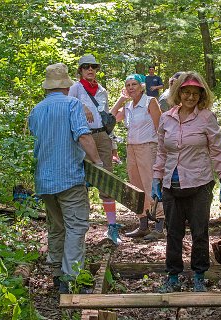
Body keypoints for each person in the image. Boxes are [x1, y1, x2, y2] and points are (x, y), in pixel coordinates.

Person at [151, 71, 221, 293]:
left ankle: (199, 275)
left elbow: (217, 150)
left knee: (200, 232)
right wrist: (156, 179)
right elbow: (161, 152)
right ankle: (173, 277)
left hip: (199, 183)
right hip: (171, 185)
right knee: (173, 233)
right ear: (178, 93)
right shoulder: (167, 118)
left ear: (201, 95)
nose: (190, 97)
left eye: (195, 94)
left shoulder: (207, 117)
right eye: (186, 92)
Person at [28, 63, 103, 293]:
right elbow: (83, 136)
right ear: (65, 85)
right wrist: (98, 163)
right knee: (76, 227)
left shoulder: (36, 110)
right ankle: (71, 280)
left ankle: (57, 274)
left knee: (57, 227)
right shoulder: (72, 104)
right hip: (69, 177)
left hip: (44, 179)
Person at [69, 55, 122, 245]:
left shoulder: (102, 91)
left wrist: (113, 144)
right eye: (86, 67)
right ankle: (79, 228)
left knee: (107, 180)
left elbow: (107, 118)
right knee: (80, 181)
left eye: (93, 67)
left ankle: (112, 227)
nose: (90, 70)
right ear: (80, 70)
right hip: (83, 136)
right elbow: (67, 106)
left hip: (102, 136)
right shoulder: (75, 88)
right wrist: (81, 106)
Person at [110, 74, 165, 241]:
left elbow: (160, 128)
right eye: (128, 85)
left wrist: (163, 153)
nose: (131, 87)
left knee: (151, 185)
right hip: (131, 149)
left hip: (149, 147)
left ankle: (159, 225)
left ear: (142, 86)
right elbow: (109, 119)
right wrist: (121, 100)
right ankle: (143, 225)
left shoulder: (151, 102)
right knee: (136, 187)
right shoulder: (128, 107)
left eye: (134, 84)